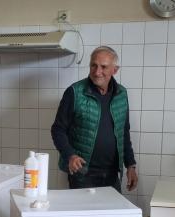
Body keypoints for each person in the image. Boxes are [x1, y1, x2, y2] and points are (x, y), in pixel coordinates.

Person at [51, 46, 138, 192]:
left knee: (113, 215)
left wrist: (131, 165)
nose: (97, 72)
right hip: (83, 174)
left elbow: (124, 132)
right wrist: (70, 155)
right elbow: (58, 129)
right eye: (93, 65)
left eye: (103, 67)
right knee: (83, 215)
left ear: (114, 70)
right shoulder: (74, 92)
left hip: (111, 174)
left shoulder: (121, 94)